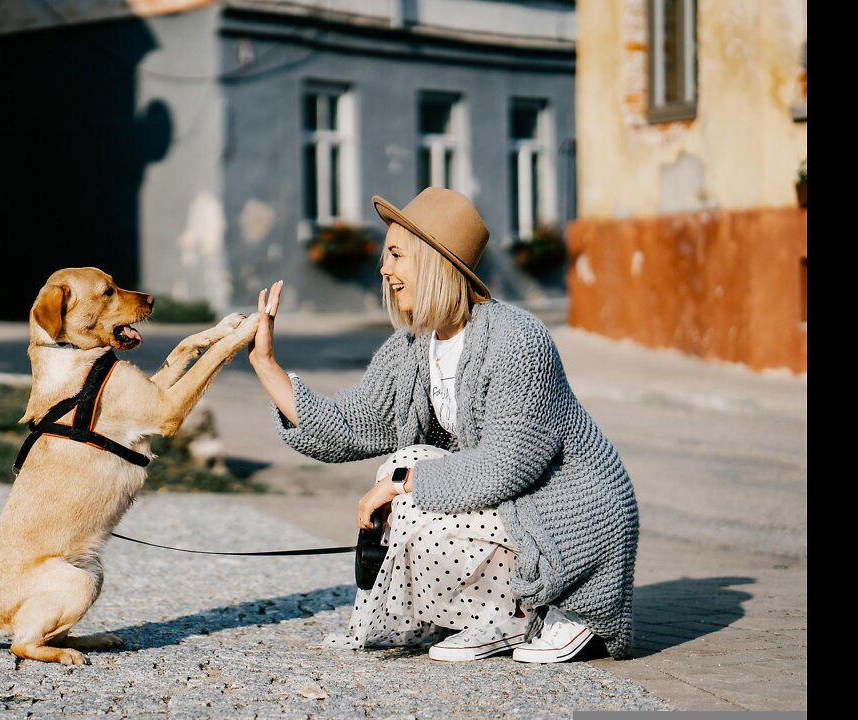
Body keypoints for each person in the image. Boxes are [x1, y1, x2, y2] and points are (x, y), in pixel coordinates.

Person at [247, 187, 639, 663]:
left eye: (396, 255)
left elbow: (506, 466)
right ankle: (494, 615)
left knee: (407, 483)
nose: (383, 269)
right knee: (405, 464)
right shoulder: (413, 347)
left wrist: (400, 485)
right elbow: (350, 424)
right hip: (515, 508)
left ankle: (540, 610)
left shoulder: (518, 341)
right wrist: (267, 366)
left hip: (571, 517)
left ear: (434, 261)